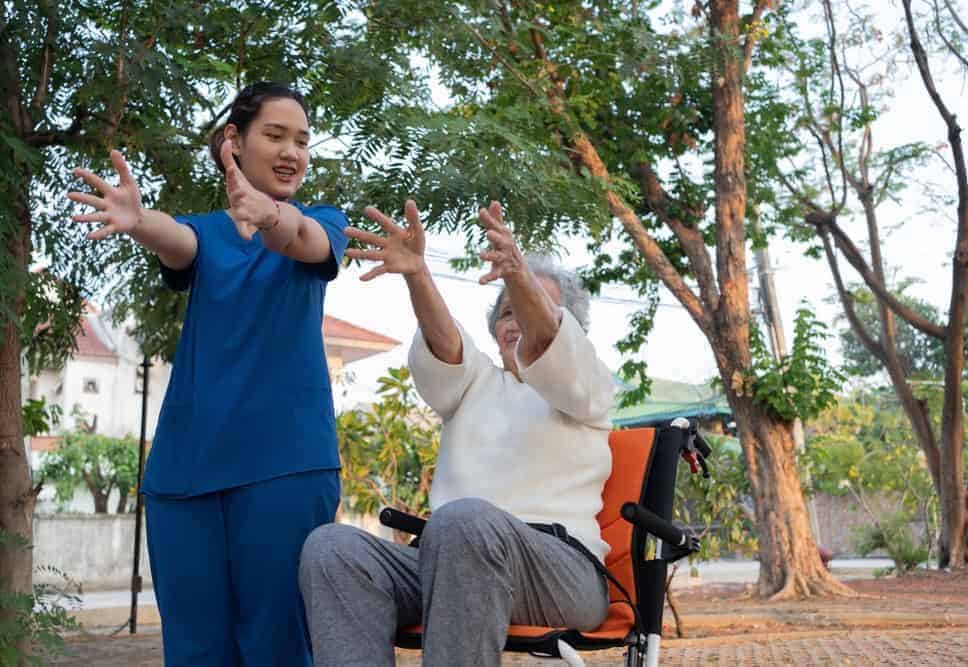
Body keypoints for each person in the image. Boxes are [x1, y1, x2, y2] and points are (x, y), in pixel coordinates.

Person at [66, 81, 347, 666]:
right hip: (184, 476)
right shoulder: (209, 233)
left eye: (302, 139)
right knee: (195, 650)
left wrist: (269, 213)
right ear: (233, 142)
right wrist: (139, 220)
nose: (292, 150)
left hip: (286, 469)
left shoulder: (321, 220)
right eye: (275, 135)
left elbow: (302, 240)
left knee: (277, 645)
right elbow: (178, 241)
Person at [298, 199, 617, 666]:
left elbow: (548, 339)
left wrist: (517, 274)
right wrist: (417, 274)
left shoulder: (587, 381)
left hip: (560, 570)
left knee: (464, 521)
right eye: (508, 312)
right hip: (448, 555)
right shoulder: (476, 382)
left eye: (531, 307)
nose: (518, 321)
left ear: (572, 326)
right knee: (332, 550)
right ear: (494, 327)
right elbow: (447, 345)